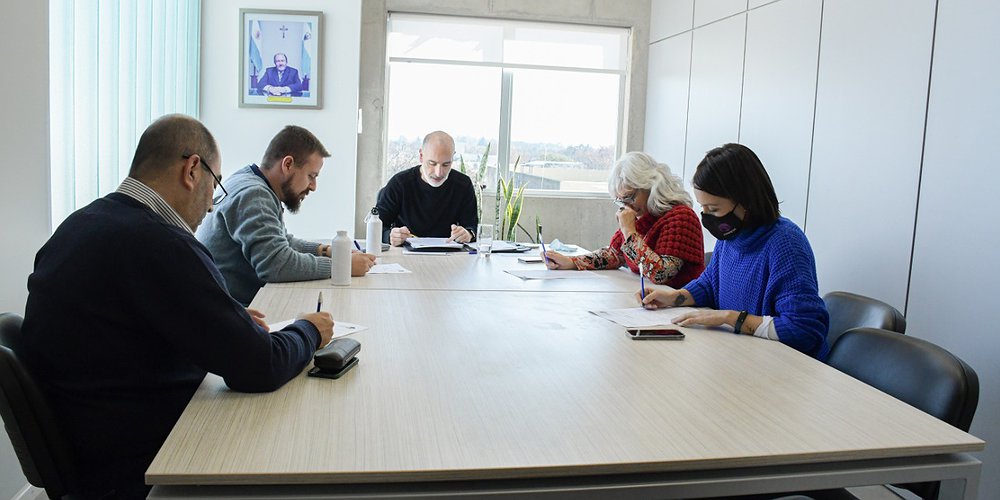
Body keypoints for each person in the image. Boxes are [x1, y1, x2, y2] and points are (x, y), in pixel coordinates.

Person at [18, 114, 334, 499]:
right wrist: (309, 330)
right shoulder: (160, 244)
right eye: (214, 185)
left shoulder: (80, 225)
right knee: (297, 442)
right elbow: (259, 367)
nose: (211, 205)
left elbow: (127, 327)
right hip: (139, 460)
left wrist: (220, 318)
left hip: (90, 437)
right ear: (192, 170)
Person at [638, 143, 830, 360]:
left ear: (746, 201)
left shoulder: (786, 243)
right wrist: (675, 297)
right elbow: (711, 284)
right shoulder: (731, 237)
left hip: (787, 367)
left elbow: (804, 329)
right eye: (703, 209)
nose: (707, 217)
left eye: (714, 209)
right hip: (744, 357)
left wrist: (731, 318)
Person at [197, 125, 375, 306]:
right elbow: (277, 265)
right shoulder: (254, 195)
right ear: (287, 164)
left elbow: (281, 242)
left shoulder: (249, 180)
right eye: (311, 176)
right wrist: (342, 267)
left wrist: (326, 250)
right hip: (233, 313)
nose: (313, 186)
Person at [543, 152, 705, 288]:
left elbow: (661, 273)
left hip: (679, 308)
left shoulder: (681, 217)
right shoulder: (643, 216)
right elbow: (614, 255)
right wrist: (571, 262)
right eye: (621, 201)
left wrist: (628, 231)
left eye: (630, 198)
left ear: (651, 187)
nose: (626, 206)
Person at [376, 131, 477, 246]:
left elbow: (472, 226)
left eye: (446, 165)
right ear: (421, 156)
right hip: (405, 254)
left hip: (450, 254)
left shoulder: (463, 185)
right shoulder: (400, 183)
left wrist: (468, 234)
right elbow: (376, 226)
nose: (439, 173)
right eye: (432, 163)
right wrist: (389, 236)